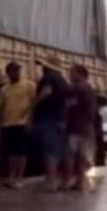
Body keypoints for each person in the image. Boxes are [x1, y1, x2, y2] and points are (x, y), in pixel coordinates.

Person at [31, 62, 70, 191]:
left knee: (50, 150)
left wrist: (34, 103)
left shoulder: (48, 77)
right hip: (61, 118)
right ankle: (63, 179)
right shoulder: (63, 80)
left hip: (48, 118)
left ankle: (51, 181)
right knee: (59, 150)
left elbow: (47, 91)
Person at [0, 61, 36, 189]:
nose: (16, 73)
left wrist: (30, 120)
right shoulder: (4, 89)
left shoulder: (28, 85)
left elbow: (33, 103)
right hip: (8, 124)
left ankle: (20, 178)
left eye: (18, 70)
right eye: (14, 71)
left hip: (22, 123)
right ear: (8, 73)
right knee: (12, 152)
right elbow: (1, 107)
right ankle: (11, 177)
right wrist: (1, 122)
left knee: (21, 152)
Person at [65, 64, 98, 190]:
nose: (70, 75)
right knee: (82, 156)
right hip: (86, 127)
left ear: (80, 74)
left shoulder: (77, 88)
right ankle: (80, 181)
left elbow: (70, 106)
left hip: (75, 128)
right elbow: (92, 110)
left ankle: (68, 181)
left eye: (72, 73)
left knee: (70, 155)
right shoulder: (89, 88)